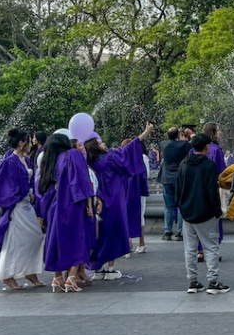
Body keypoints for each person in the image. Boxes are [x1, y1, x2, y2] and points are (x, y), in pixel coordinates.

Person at [83, 123, 153, 280]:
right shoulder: (110, 159)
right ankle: (110, 268)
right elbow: (128, 149)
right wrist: (145, 132)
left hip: (98, 201)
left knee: (100, 234)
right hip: (114, 199)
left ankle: (97, 268)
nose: (104, 144)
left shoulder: (90, 163)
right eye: (101, 143)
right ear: (96, 147)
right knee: (114, 232)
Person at [0, 129, 45, 291]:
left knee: (34, 236)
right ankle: (8, 275)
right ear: (21, 143)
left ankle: (29, 270)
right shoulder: (10, 161)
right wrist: (17, 195)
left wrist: (31, 192)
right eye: (29, 141)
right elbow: (4, 183)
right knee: (15, 239)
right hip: (17, 205)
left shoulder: (25, 160)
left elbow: (29, 179)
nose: (32, 144)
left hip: (26, 204)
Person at [38, 132, 95, 292]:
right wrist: (88, 202)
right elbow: (81, 180)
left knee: (57, 240)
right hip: (72, 203)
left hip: (55, 204)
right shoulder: (72, 154)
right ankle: (71, 277)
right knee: (78, 239)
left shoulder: (50, 160)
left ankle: (57, 278)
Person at [174, 132, 230, 294]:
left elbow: (178, 189)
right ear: (207, 147)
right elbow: (212, 191)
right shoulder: (209, 166)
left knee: (190, 249)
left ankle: (192, 281)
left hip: (187, 213)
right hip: (206, 212)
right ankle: (213, 281)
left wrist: (181, 207)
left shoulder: (183, 165)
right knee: (211, 247)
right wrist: (217, 211)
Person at [158, 127, 191, 241]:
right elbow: (193, 144)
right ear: (178, 135)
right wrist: (187, 134)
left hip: (166, 178)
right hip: (179, 178)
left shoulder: (163, 144)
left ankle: (167, 232)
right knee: (181, 206)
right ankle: (180, 232)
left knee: (168, 206)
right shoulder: (182, 145)